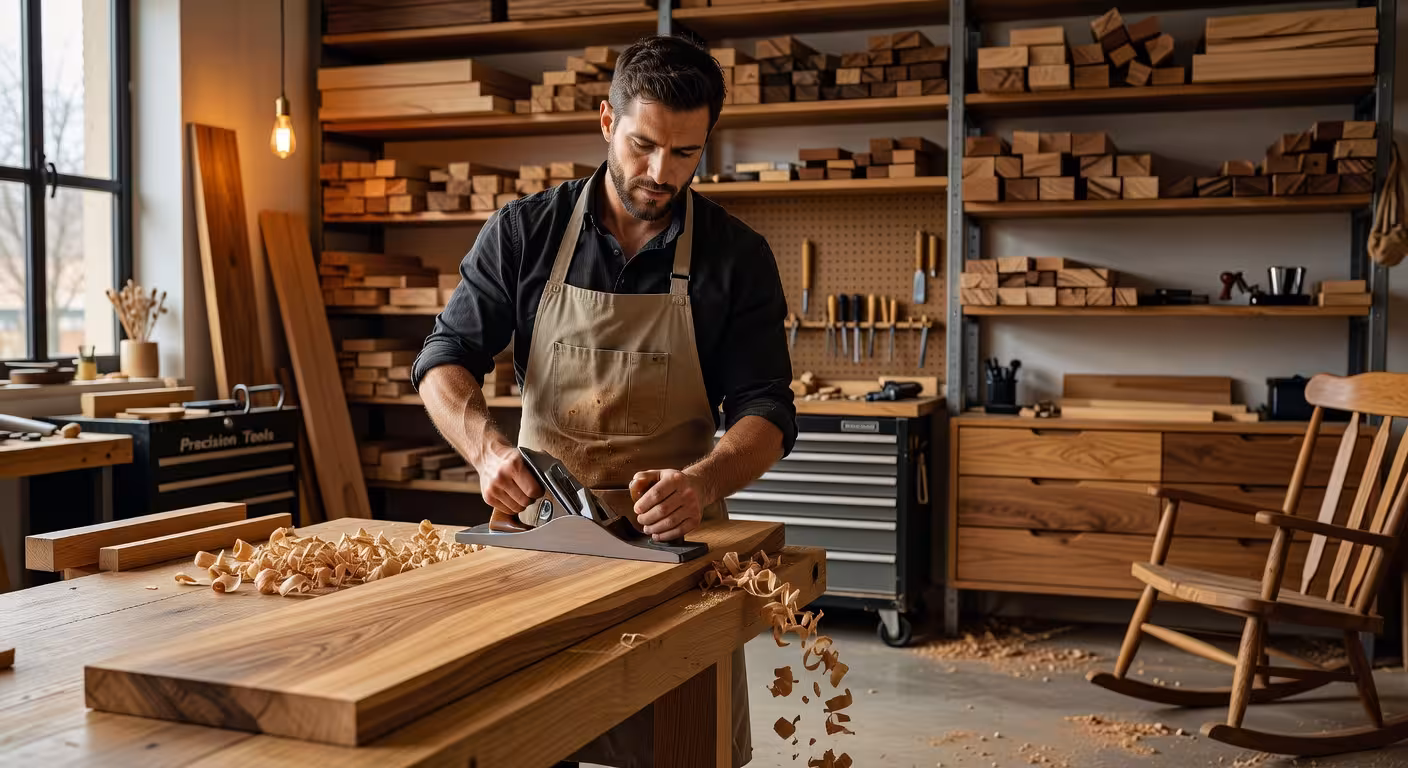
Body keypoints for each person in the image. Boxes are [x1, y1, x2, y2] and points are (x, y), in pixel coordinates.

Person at [413, 34, 796, 768]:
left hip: (674, 556)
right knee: (527, 740)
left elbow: (768, 411)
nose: (660, 173)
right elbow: (443, 358)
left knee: (683, 743)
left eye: (686, 153)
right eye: (643, 145)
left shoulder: (737, 257)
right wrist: (486, 452)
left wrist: (701, 483)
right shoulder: (524, 233)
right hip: (540, 544)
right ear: (605, 120)